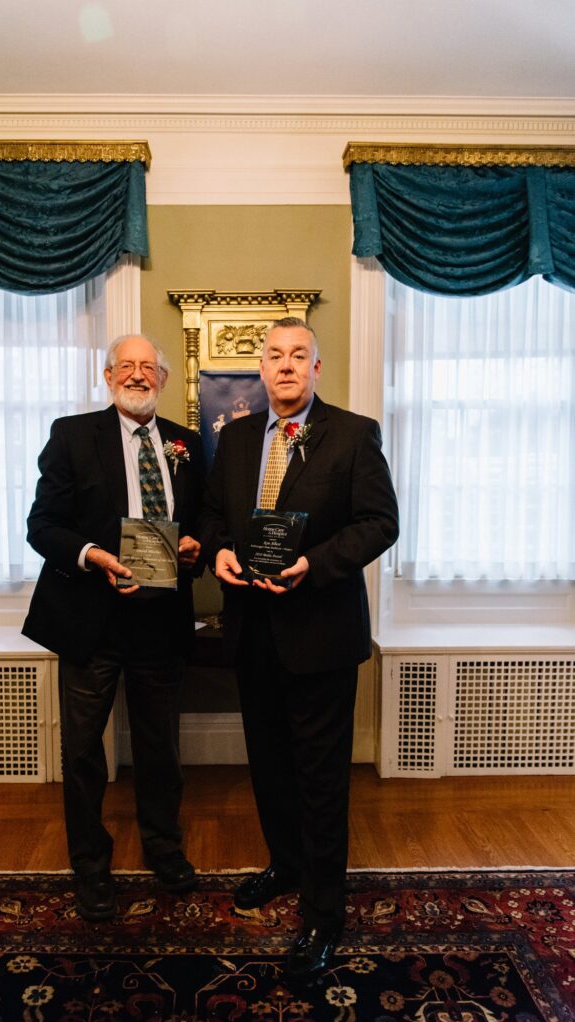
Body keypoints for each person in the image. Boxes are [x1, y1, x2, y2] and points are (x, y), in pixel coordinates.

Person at [199, 317, 399, 979]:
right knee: (271, 768)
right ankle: (285, 865)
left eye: (299, 356)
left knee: (319, 780)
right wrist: (222, 552)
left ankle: (323, 913)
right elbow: (211, 518)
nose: (286, 366)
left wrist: (316, 564)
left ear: (316, 368)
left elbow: (380, 523)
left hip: (320, 635)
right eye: (275, 356)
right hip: (251, 633)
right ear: (261, 368)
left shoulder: (351, 433)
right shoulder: (234, 440)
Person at [23, 334, 205, 921]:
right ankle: (91, 865)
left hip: (160, 621)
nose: (137, 375)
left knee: (160, 748)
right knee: (82, 753)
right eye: (126, 366)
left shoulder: (189, 442)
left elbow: (201, 522)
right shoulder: (72, 435)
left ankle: (163, 848)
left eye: (148, 367)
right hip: (89, 620)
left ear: (164, 380)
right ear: (107, 377)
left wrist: (197, 545)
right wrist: (94, 554)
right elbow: (42, 525)